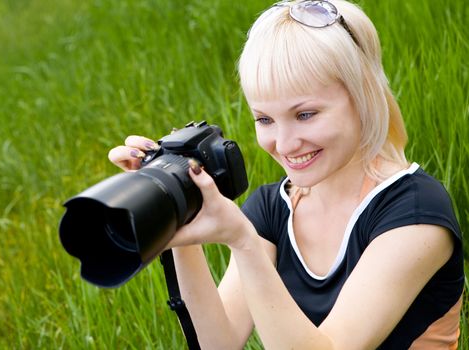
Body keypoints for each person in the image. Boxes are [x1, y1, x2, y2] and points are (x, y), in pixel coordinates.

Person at [108, 0, 464, 348]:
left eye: (305, 114)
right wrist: (178, 211)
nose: (285, 143)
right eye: (264, 119)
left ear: (363, 97)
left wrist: (243, 242)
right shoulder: (272, 207)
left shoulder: (416, 213)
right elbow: (219, 341)